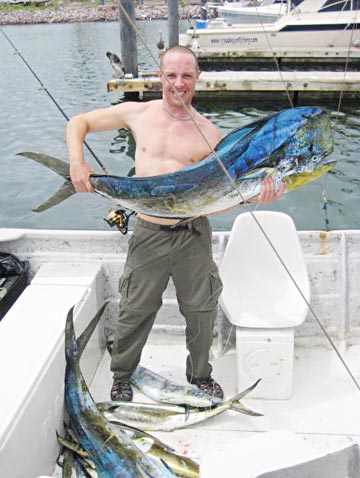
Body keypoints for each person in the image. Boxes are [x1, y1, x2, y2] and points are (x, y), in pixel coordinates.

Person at [67, 45, 284, 402]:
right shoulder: (139, 113)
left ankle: (200, 376)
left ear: (198, 78)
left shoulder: (212, 136)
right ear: (160, 77)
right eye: (171, 75)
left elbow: (218, 199)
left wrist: (255, 196)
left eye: (187, 75)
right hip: (148, 233)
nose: (179, 83)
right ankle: (123, 374)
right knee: (136, 308)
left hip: (192, 235)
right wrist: (78, 163)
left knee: (201, 310)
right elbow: (80, 123)